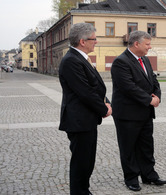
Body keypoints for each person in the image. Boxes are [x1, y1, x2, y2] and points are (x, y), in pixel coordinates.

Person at [111, 30, 166, 192]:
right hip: (127, 114)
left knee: (146, 146)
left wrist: (157, 96)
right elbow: (128, 87)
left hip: (145, 112)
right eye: (148, 44)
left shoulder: (145, 60)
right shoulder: (120, 62)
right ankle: (131, 178)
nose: (150, 47)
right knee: (128, 147)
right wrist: (149, 99)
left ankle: (149, 175)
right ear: (136, 44)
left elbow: (153, 80)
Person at [58, 23, 112, 195]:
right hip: (78, 120)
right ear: (82, 41)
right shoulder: (71, 60)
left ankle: (84, 190)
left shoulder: (81, 58)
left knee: (88, 160)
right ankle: (79, 192)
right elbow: (85, 92)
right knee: (81, 162)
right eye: (94, 39)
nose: (96, 42)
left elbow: (96, 86)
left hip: (87, 119)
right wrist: (103, 109)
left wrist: (106, 102)